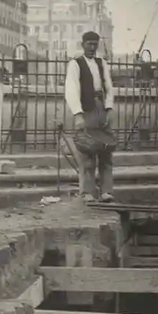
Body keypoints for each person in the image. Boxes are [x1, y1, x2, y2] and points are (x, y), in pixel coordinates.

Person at [64, 30, 116, 204]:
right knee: (87, 151)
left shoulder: (102, 63)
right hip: (86, 110)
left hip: (101, 108)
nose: (92, 47)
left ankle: (106, 191)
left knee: (106, 150)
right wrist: (78, 113)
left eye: (95, 44)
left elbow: (108, 86)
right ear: (83, 44)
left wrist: (109, 108)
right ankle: (87, 192)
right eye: (89, 44)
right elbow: (71, 89)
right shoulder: (76, 64)